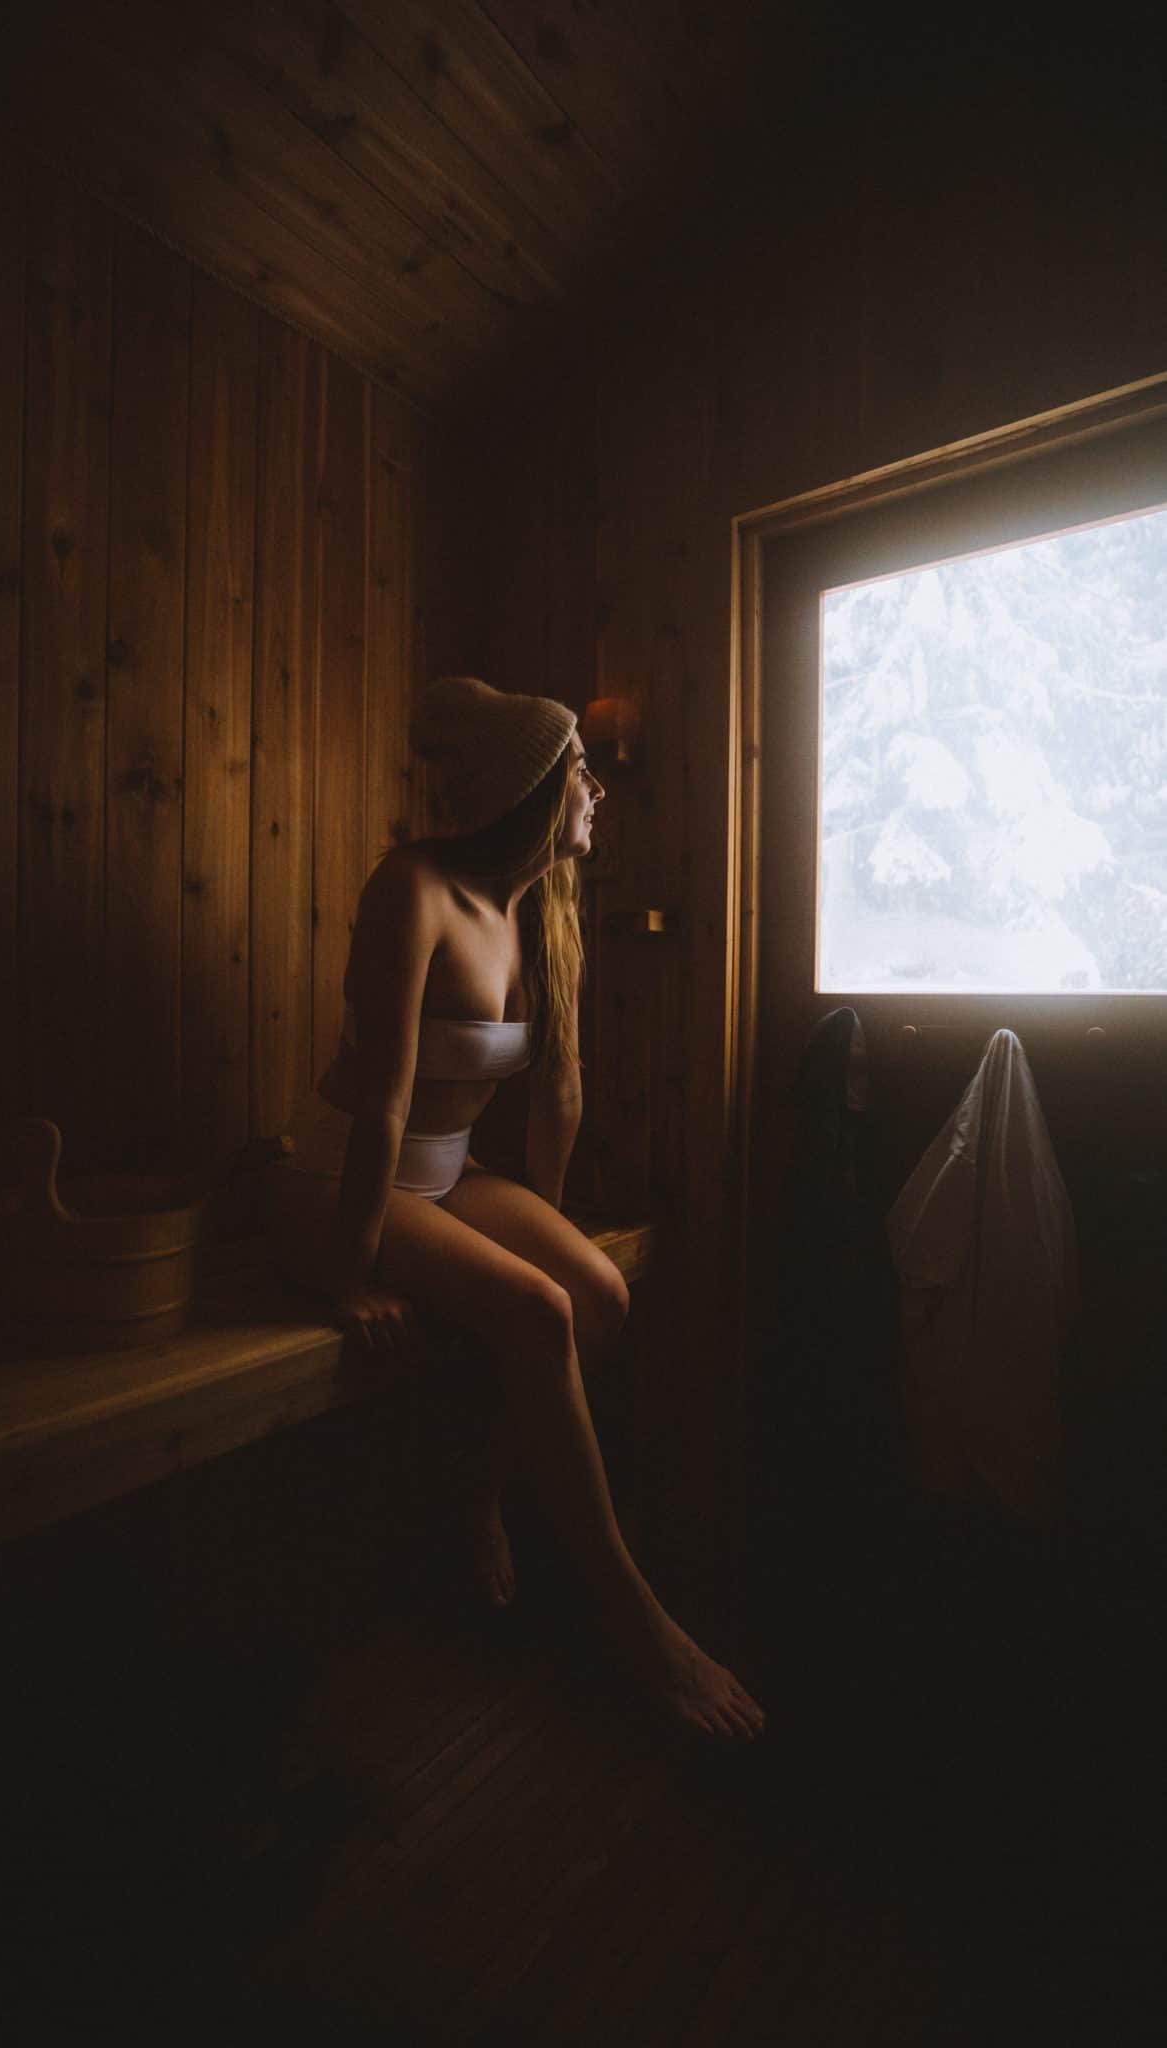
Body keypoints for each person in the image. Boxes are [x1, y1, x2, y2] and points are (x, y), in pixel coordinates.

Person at [258, 676, 765, 1747]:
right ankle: (637, 1621)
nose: (596, 790)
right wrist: (345, 1270)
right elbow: (387, 1096)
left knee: (598, 1291)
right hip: (351, 1177)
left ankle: (476, 1488)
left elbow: (560, 1091)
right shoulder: (415, 887)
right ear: (534, 786)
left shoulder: (542, 910)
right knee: (538, 1311)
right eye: (580, 769)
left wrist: (547, 1222)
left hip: (444, 1174)